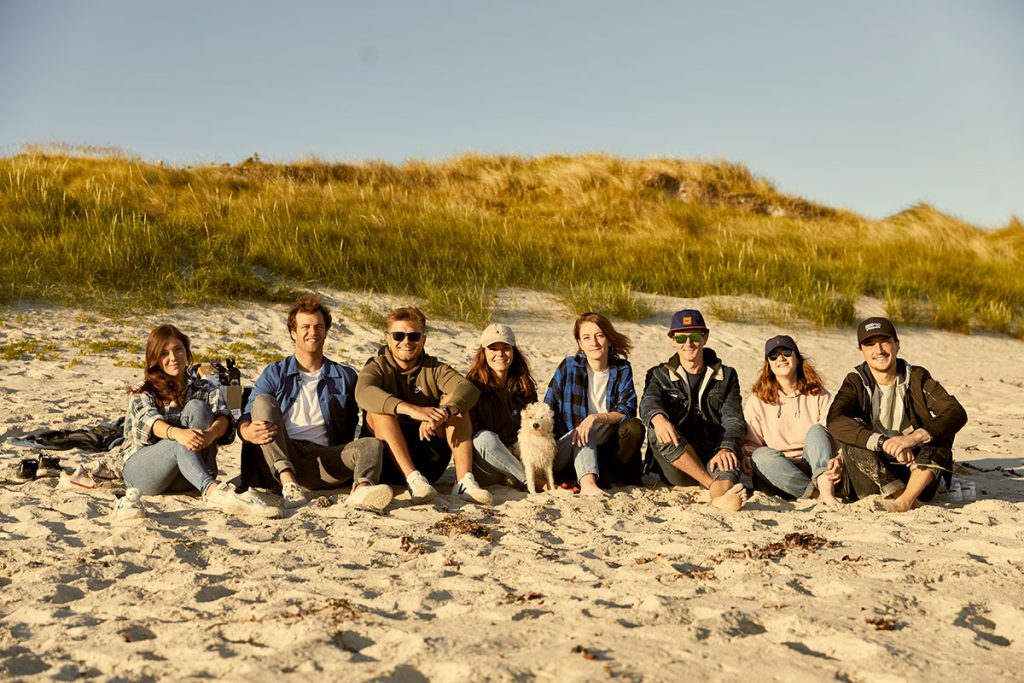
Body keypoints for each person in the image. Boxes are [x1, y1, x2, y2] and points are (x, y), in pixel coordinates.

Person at [237, 295, 394, 513]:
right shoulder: (275, 372)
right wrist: (246, 431)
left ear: (326, 331)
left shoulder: (344, 376)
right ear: (293, 333)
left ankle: (362, 491)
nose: (313, 332)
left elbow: (366, 412)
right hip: (281, 452)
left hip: (324, 460)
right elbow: (247, 413)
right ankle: (288, 483)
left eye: (319, 326)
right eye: (305, 327)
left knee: (371, 444)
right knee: (264, 402)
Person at [121, 324, 277, 518]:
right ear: (155, 359)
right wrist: (179, 434)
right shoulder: (143, 391)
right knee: (176, 443)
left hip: (187, 477)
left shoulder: (204, 387)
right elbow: (150, 422)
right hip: (144, 474)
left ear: (186, 352)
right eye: (164, 353)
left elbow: (225, 416)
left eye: (178, 349)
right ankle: (214, 492)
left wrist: (211, 433)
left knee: (198, 407)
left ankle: (205, 483)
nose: (173, 357)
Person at [826, 317, 968, 512]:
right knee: (853, 432)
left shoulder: (917, 377)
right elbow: (835, 421)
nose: (879, 350)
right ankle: (902, 496)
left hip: (917, 476)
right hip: (872, 478)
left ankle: (906, 500)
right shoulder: (855, 381)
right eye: (869, 344)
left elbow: (956, 411)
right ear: (861, 351)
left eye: (884, 341)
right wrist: (885, 443)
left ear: (897, 345)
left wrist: (912, 438)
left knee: (941, 430)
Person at [355, 306, 492, 505]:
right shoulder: (377, 366)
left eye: (414, 336)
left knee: (457, 407)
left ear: (423, 339)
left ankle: (463, 482)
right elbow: (363, 392)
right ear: (388, 338)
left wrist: (444, 412)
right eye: (399, 336)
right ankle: (413, 480)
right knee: (379, 411)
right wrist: (412, 410)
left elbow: (468, 389)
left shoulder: (434, 367)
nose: (406, 342)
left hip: (429, 459)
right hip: (386, 462)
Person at [639, 309, 748, 511]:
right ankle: (711, 485)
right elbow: (648, 401)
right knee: (657, 429)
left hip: (714, 455)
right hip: (678, 463)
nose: (688, 344)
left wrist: (726, 447)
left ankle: (719, 499)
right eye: (681, 337)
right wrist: (659, 418)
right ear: (672, 340)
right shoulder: (658, 374)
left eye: (695, 336)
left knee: (729, 459)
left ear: (705, 337)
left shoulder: (727, 375)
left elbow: (733, 418)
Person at [544, 312, 643, 496]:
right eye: (587, 337)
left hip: (605, 447)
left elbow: (627, 408)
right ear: (580, 344)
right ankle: (588, 483)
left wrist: (596, 418)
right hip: (567, 447)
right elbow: (547, 408)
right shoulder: (569, 366)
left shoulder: (622, 369)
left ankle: (611, 476)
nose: (594, 342)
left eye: (600, 335)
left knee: (634, 426)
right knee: (584, 429)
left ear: (609, 339)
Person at [743, 335, 841, 505]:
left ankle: (826, 491)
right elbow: (751, 444)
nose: (780, 358)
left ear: (797, 358)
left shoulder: (819, 394)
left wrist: (839, 459)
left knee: (817, 431)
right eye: (773, 356)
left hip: (815, 467)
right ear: (768, 364)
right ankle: (817, 495)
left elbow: (834, 434)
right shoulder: (757, 400)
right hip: (779, 472)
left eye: (786, 353)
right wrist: (746, 455)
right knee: (761, 455)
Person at [466, 323, 536, 489]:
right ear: (484, 353)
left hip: (517, 456)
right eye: (493, 349)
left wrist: (515, 448)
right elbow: (471, 434)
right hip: (487, 465)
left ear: (513, 351)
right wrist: (504, 448)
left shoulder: (524, 384)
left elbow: (531, 427)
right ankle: (531, 481)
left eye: (505, 348)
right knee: (484, 438)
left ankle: (521, 477)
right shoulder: (472, 386)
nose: (500, 354)